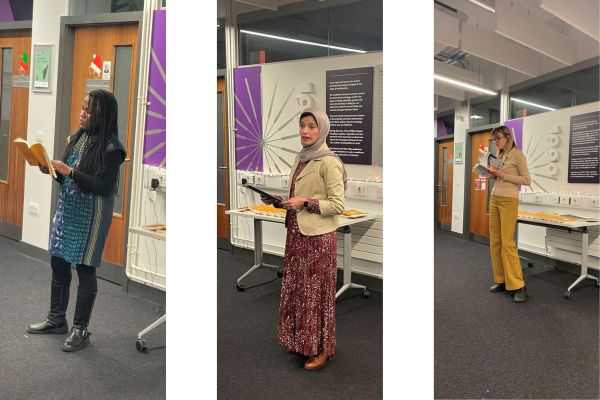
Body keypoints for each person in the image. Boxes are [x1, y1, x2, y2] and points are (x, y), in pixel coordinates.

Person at [27, 89, 126, 351]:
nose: (82, 114)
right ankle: (56, 319)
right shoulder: (78, 137)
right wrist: (50, 170)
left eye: (89, 110)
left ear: (102, 115)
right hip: (68, 211)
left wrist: (69, 171)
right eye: (82, 108)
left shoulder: (112, 148)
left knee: (85, 269)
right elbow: (68, 179)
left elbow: (104, 187)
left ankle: (80, 329)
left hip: (91, 217)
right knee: (58, 263)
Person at [261, 107, 346, 370]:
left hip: (319, 239)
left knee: (315, 294)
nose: (305, 131)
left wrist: (307, 202)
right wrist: (278, 202)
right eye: (302, 126)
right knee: (298, 290)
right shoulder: (301, 158)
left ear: (322, 129)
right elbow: (298, 196)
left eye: (312, 126)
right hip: (297, 234)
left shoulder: (330, 161)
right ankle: (302, 342)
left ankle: (321, 349)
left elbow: (337, 205)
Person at [488, 125, 531, 303]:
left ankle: (519, 285)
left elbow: (526, 180)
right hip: (495, 199)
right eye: (494, 139)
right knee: (495, 242)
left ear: (507, 137)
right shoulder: (500, 155)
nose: (495, 142)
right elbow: (501, 176)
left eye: (498, 138)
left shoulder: (518, 155)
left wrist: (504, 176)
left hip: (508, 201)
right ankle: (502, 280)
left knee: (507, 243)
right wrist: (494, 175)